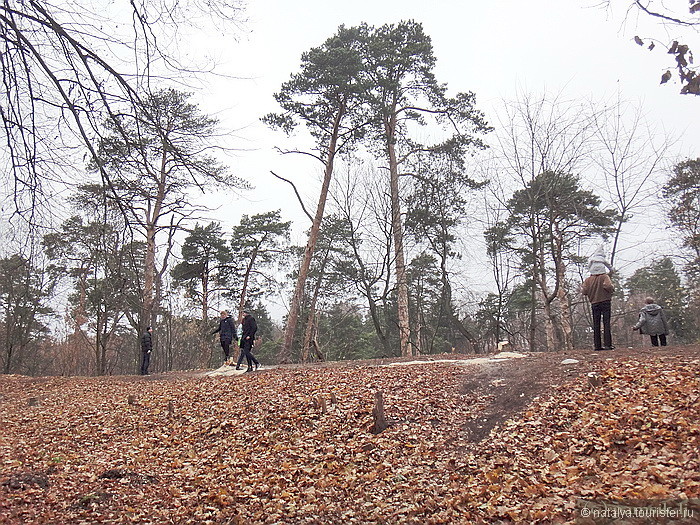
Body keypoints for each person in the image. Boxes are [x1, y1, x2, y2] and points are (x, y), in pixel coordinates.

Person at [582, 270, 615, 351]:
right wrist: (612, 290)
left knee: (596, 324)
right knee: (606, 323)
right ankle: (608, 345)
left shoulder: (588, 280)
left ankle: (597, 346)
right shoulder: (604, 276)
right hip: (605, 301)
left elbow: (584, 291)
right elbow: (608, 286)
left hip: (594, 303)